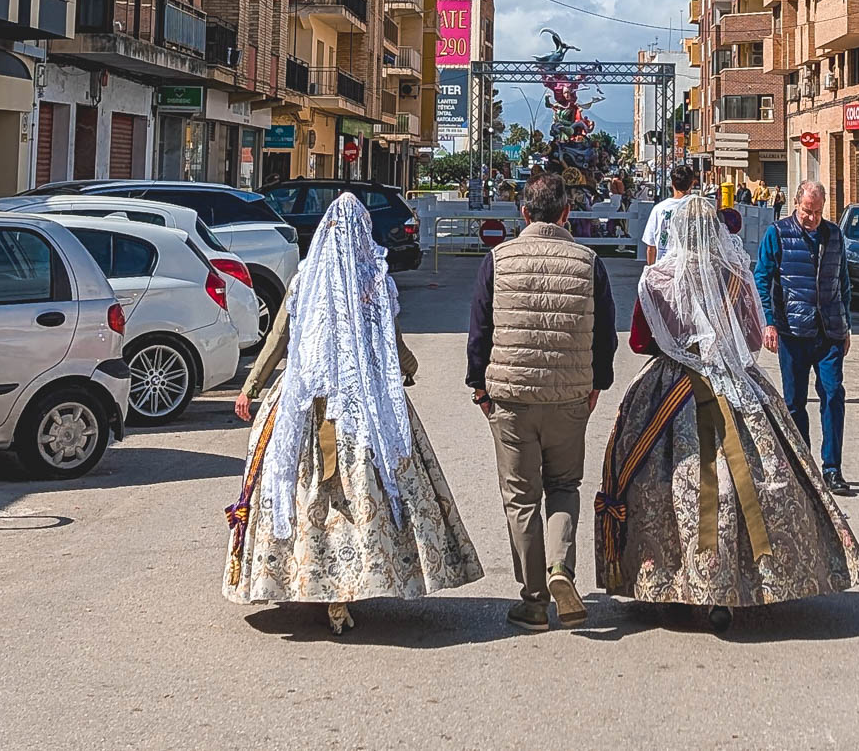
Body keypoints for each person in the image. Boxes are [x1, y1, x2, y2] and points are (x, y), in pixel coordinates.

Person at [596, 197, 859, 630]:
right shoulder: (735, 276)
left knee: (663, 481)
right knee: (753, 474)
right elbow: (749, 335)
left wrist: (681, 343)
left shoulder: (657, 278)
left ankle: (673, 579)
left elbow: (638, 341)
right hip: (733, 383)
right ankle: (745, 579)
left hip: (671, 386)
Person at [225, 194, 482, 632]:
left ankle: (303, 576)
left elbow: (278, 340)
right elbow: (390, 340)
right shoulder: (374, 281)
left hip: (304, 399)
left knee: (300, 485)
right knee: (371, 486)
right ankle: (355, 580)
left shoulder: (305, 280)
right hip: (364, 403)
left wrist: (251, 388)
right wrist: (407, 369)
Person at [467, 172, 618, 632]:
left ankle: (533, 602)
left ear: (524, 213)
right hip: (570, 397)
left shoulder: (498, 259)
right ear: (567, 214)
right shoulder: (588, 261)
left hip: (510, 399)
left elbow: (480, 330)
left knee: (520, 497)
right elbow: (605, 335)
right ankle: (561, 569)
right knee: (565, 486)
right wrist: (597, 385)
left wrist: (479, 385)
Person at [754, 181, 854, 496]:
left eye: (817, 212)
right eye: (807, 211)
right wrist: (768, 323)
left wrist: (846, 324)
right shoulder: (778, 233)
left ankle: (832, 468)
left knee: (833, 394)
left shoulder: (834, 235)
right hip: (792, 331)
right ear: (796, 203)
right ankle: (802, 464)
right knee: (794, 402)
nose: (812, 218)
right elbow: (762, 277)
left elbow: (843, 282)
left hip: (829, 332)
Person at [640, 164, 699, 265]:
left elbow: (651, 246)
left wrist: (651, 270)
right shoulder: (698, 208)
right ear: (691, 184)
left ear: (672, 184)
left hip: (664, 267)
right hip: (689, 267)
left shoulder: (659, 209)